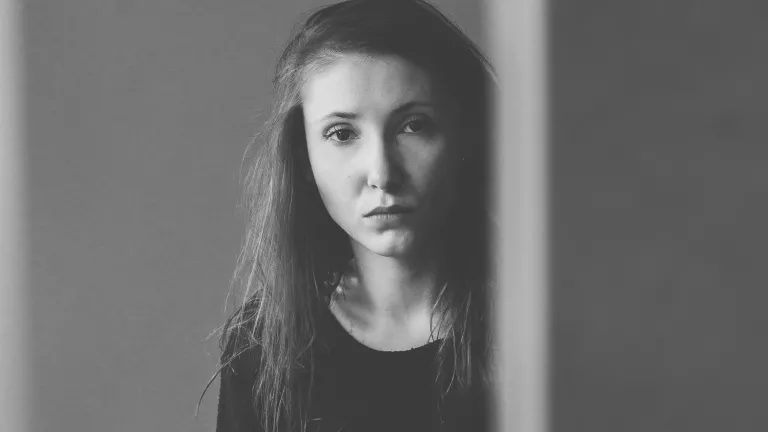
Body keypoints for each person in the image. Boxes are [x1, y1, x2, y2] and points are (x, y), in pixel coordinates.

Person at [211, 0, 495, 430]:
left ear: (465, 136)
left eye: (414, 125)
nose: (381, 174)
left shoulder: (541, 328)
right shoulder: (261, 348)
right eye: (342, 133)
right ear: (303, 157)